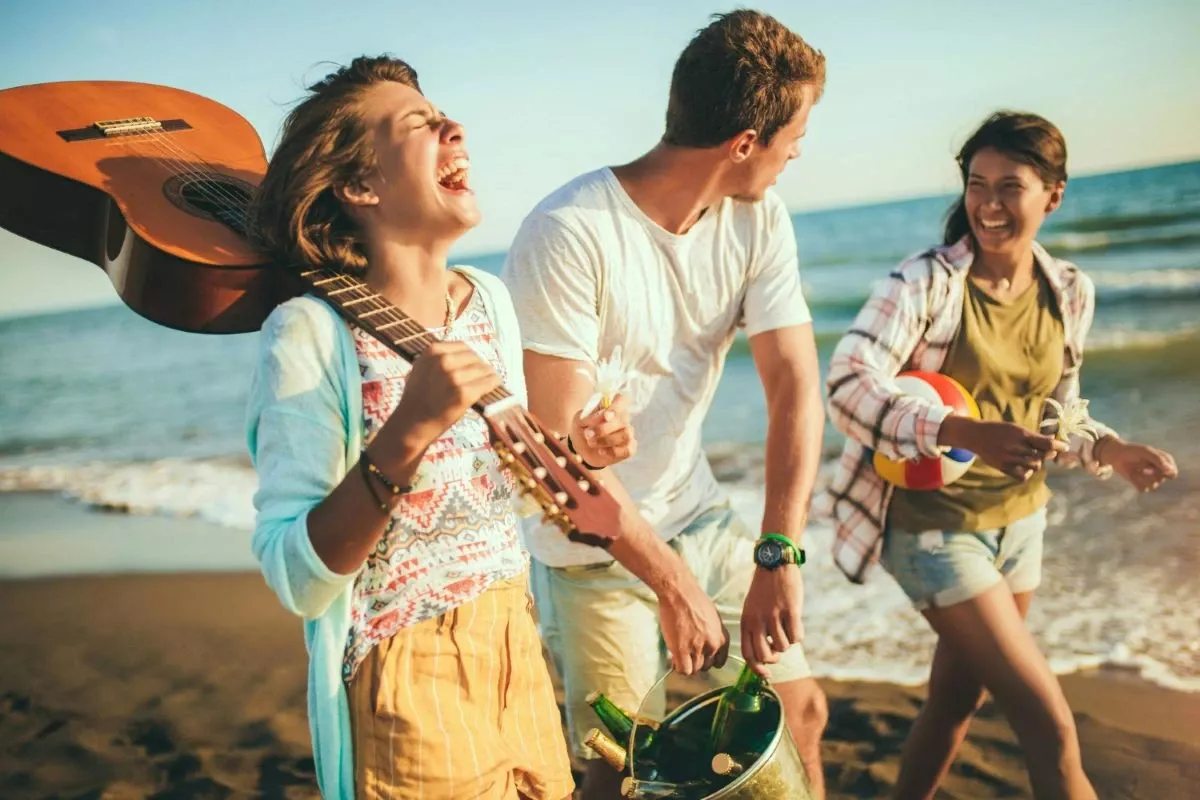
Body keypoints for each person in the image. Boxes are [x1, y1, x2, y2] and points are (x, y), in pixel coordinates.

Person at [244, 55, 627, 799]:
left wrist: (577, 449)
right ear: (361, 186)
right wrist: (407, 430)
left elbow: (492, 494)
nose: (455, 126)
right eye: (420, 124)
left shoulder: (487, 300)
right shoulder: (309, 334)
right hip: (406, 672)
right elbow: (294, 573)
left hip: (516, 640)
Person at [502, 10, 830, 798]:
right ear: (744, 143)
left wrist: (778, 550)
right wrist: (672, 586)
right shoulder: (569, 231)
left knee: (800, 708)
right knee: (623, 773)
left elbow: (794, 390)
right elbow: (557, 463)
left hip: (698, 511)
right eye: (794, 135)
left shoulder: (758, 218)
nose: (799, 152)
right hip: (593, 553)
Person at [821, 110, 1178, 799]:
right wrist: (961, 429)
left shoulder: (1070, 290)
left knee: (957, 701)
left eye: (1009, 186)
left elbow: (1055, 413)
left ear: (1054, 194)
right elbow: (845, 387)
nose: (987, 204)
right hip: (932, 531)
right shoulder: (923, 284)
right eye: (976, 184)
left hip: (1022, 528)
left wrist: (1111, 446)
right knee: (1050, 727)